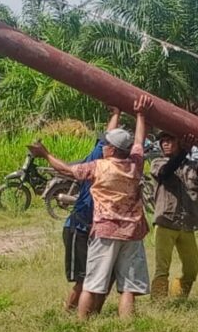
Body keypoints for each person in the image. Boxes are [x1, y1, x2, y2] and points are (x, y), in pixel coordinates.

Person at [28, 95, 153, 319]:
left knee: (92, 283)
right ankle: (129, 326)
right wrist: (141, 115)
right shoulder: (135, 165)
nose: (103, 146)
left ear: (113, 150)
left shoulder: (99, 168)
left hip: (105, 231)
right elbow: (138, 142)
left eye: (107, 144)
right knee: (128, 288)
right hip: (132, 232)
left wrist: (45, 154)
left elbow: (67, 170)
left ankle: (81, 325)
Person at [150, 131, 198, 299]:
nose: (165, 143)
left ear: (179, 141)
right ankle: (158, 304)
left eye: (170, 139)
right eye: (162, 141)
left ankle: (178, 298)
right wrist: (184, 150)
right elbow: (166, 172)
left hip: (187, 223)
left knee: (192, 269)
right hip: (166, 222)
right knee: (162, 268)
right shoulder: (157, 163)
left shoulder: (194, 165)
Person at [61, 109, 122, 312]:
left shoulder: (123, 166)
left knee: (109, 274)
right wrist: (116, 114)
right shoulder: (98, 160)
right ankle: (69, 313)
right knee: (84, 278)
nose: (106, 146)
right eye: (106, 144)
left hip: (100, 230)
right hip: (79, 227)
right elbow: (107, 138)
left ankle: (94, 313)